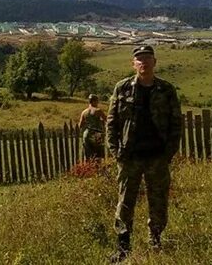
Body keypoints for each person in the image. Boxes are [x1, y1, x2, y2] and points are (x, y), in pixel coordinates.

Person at [106, 45, 182, 263]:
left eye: (147, 58)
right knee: (125, 202)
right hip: (130, 157)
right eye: (139, 59)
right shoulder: (122, 88)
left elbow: (176, 123)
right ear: (133, 64)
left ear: (154, 62)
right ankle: (123, 246)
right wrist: (116, 151)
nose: (143, 63)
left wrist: (168, 153)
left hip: (157, 156)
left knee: (158, 201)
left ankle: (155, 240)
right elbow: (112, 123)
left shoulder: (166, 90)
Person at [78, 94, 106, 160]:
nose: (97, 103)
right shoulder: (98, 111)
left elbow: (80, 125)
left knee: (88, 156)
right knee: (99, 156)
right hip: (97, 134)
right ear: (94, 101)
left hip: (86, 134)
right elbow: (107, 120)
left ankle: (89, 169)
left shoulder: (84, 112)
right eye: (97, 101)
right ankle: (98, 169)